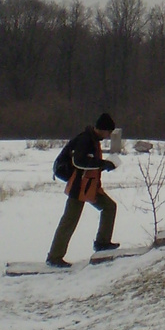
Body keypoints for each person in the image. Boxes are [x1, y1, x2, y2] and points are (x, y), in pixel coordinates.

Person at [47, 112, 119, 267]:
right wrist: (102, 164)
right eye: (109, 132)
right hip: (78, 186)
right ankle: (54, 257)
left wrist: (103, 164)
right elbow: (79, 162)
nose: (109, 136)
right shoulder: (85, 140)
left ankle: (102, 242)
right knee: (69, 221)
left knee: (109, 207)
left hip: (90, 185)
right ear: (102, 129)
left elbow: (89, 161)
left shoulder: (92, 139)